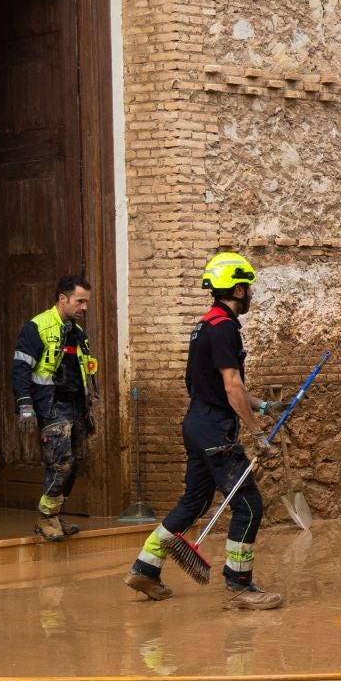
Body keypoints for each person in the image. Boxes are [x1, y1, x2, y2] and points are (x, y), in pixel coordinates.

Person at [123, 252, 285, 609]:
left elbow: (216, 384)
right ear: (239, 289)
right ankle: (239, 586)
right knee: (248, 504)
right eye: (249, 288)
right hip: (214, 430)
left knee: (193, 502)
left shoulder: (204, 325)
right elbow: (231, 386)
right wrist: (257, 431)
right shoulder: (225, 327)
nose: (250, 294)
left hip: (196, 424)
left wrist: (262, 406)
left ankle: (145, 569)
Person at [12, 275, 99, 543]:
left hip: (76, 406)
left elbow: (83, 370)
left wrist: (89, 404)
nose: (84, 307)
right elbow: (20, 367)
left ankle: (55, 513)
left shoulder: (77, 332)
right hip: (52, 406)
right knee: (60, 463)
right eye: (80, 301)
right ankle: (45, 517)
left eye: (86, 302)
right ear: (63, 298)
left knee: (75, 464)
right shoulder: (37, 326)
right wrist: (24, 404)